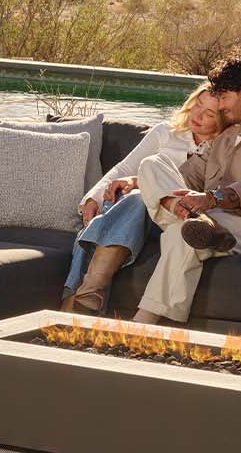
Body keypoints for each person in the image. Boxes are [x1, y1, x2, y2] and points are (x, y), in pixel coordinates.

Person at [131, 53, 241, 325]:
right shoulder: (228, 136)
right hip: (214, 219)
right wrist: (142, 180)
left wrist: (208, 200)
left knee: (181, 233)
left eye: (224, 97)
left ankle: (143, 324)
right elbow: (185, 176)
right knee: (154, 163)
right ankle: (196, 222)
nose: (221, 105)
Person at [60, 84, 221, 314]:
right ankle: (85, 297)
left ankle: (76, 296)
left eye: (210, 114)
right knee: (129, 203)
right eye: (198, 105)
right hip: (133, 213)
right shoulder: (166, 132)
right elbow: (125, 167)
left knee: (136, 198)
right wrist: (92, 198)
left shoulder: (222, 148)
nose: (198, 115)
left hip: (171, 218)